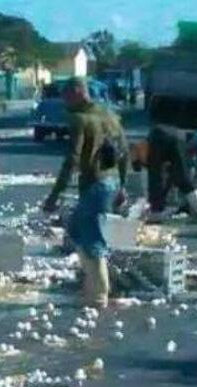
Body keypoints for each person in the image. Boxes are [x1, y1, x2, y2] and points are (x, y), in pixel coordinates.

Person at [41, 77, 128, 309]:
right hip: (111, 182)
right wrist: (122, 186)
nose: (64, 102)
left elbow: (73, 160)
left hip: (96, 184)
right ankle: (92, 285)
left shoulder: (80, 120)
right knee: (77, 229)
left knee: (91, 237)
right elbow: (124, 152)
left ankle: (98, 296)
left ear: (78, 93)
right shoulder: (109, 115)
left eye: (66, 96)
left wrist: (54, 196)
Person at [134, 125, 197, 224]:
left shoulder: (150, 148)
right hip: (176, 140)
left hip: (163, 142)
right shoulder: (152, 142)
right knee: (182, 180)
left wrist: (155, 206)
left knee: (162, 179)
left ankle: (156, 212)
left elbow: (155, 180)